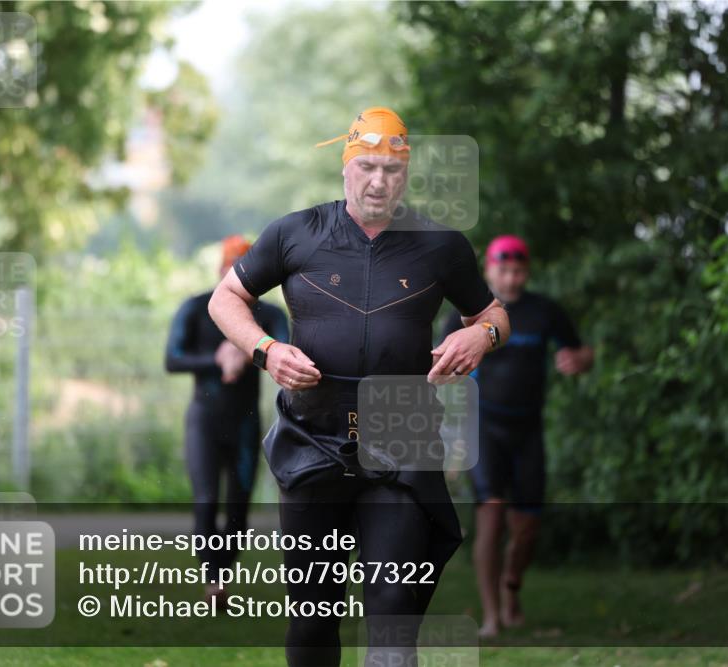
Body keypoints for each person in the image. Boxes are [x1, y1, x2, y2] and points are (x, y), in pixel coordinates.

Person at [208, 106, 510, 667]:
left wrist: (483, 336)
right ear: (346, 168)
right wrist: (267, 351)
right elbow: (225, 299)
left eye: (391, 170)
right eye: (367, 166)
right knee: (312, 617)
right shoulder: (296, 233)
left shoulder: (440, 244)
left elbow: (493, 313)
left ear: (406, 175)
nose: (378, 181)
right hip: (313, 433)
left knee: (394, 617)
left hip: (400, 430)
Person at [439, 234, 594, 637]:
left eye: (518, 270)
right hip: (484, 426)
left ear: (526, 271)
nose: (511, 277)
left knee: (526, 527)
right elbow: (436, 361)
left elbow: (580, 352)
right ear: (489, 269)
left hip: (528, 430)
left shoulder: (545, 312)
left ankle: (511, 590)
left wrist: (578, 360)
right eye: (503, 269)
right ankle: (492, 616)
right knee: (491, 515)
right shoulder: (467, 312)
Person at [165, 235, 289, 605]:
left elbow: (284, 352)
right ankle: (213, 578)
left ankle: (222, 571)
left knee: (238, 504)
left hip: (245, 423)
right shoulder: (195, 308)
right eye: (234, 267)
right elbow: (172, 360)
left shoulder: (272, 315)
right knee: (205, 499)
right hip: (203, 420)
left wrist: (246, 349)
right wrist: (217, 360)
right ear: (222, 269)